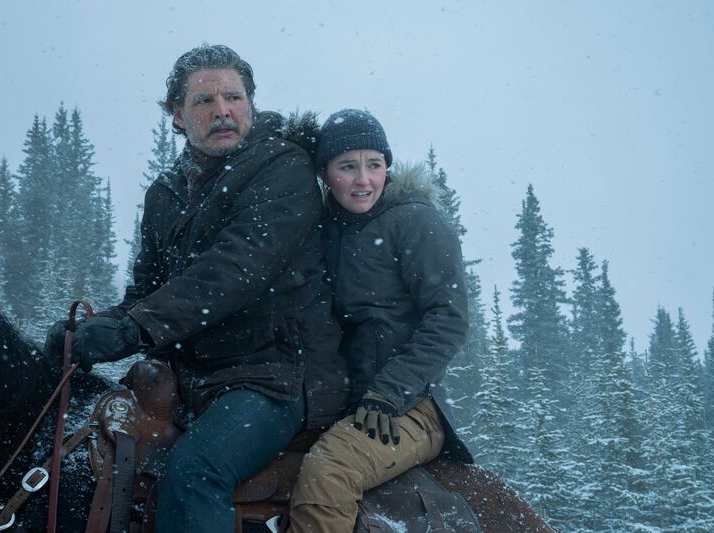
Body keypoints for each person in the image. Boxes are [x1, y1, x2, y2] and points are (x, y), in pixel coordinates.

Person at [44, 44, 347, 531]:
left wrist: (134, 330)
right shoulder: (165, 192)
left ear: (251, 104)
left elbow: (233, 270)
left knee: (195, 471)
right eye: (205, 100)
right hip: (192, 378)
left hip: (275, 377)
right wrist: (95, 329)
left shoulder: (283, 168)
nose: (222, 110)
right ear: (178, 115)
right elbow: (148, 290)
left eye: (234, 97)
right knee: (85, 448)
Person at [288, 109, 474, 532]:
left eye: (374, 165)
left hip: (409, 405)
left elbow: (449, 318)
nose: (364, 180)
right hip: (343, 399)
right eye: (347, 167)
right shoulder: (322, 229)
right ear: (324, 173)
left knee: (328, 472)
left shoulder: (416, 220)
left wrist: (389, 391)